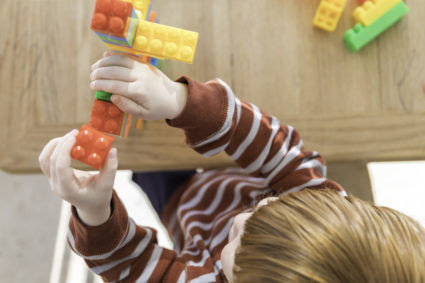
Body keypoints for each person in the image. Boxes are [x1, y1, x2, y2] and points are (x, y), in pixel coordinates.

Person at [39, 53, 425, 283]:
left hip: (182, 207)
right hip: (227, 173)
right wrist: (181, 101)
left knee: (145, 167)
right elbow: (283, 152)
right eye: (267, 210)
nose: (239, 221)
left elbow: (134, 269)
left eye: (238, 247)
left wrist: (94, 211)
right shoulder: (326, 211)